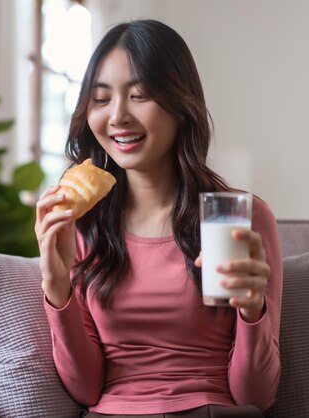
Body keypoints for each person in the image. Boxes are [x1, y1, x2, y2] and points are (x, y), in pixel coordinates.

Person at [35, 19, 282, 418]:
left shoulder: (228, 218)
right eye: (101, 99)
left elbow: (254, 395)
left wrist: (253, 310)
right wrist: (56, 284)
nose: (117, 116)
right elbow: (86, 388)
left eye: (139, 95)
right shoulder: (82, 224)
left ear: (180, 105)